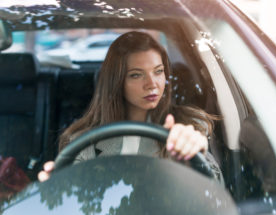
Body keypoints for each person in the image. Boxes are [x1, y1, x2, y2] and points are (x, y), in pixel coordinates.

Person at [38, 31, 222, 182]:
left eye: (158, 72)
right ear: (117, 82)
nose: (152, 84)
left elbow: (215, 192)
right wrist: (56, 190)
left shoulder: (188, 125)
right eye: (136, 75)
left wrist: (194, 157)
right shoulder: (83, 141)